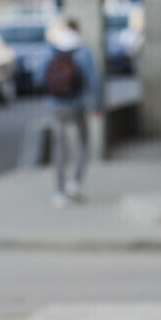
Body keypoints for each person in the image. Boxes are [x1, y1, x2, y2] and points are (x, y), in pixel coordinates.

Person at [43, 18, 102, 208]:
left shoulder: (52, 50)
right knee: (83, 142)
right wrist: (97, 106)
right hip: (77, 105)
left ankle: (59, 192)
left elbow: (39, 75)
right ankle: (74, 182)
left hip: (55, 106)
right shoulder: (83, 52)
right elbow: (94, 81)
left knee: (59, 148)